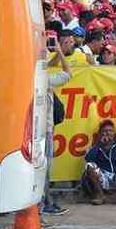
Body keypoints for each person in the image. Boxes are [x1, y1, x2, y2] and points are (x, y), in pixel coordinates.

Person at [42, 38, 73, 216]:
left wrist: (54, 52)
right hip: (44, 128)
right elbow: (68, 73)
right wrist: (60, 51)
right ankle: (46, 203)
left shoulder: (35, 74)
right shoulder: (44, 79)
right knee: (44, 169)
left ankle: (44, 202)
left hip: (35, 128)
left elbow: (49, 64)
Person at [82, 119, 116, 205]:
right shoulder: (96, 147)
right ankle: (100, 195)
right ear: (100, 134)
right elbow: (88, 158)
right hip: (103, 178)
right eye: (105, 131)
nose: (108, 133)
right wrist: (99, 144)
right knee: (89, 166)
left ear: (114, 133)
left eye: (110, 131)